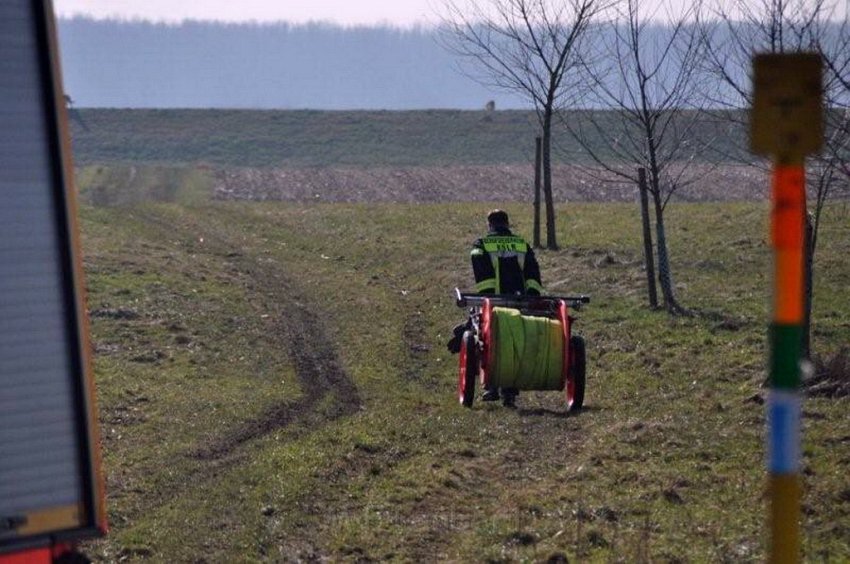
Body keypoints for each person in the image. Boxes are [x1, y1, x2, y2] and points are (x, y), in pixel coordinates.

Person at [448, 209, 544, 407]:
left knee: (490, 341)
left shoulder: (481, 245)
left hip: (493, 301)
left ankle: (491, 387)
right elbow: (532, 270)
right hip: (520, 301)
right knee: (516, 343)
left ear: (489, 225)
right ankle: (509, 393)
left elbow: (480, 270)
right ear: (507, 224)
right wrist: (532, 294)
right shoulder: (521, 244)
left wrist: (488, 294)